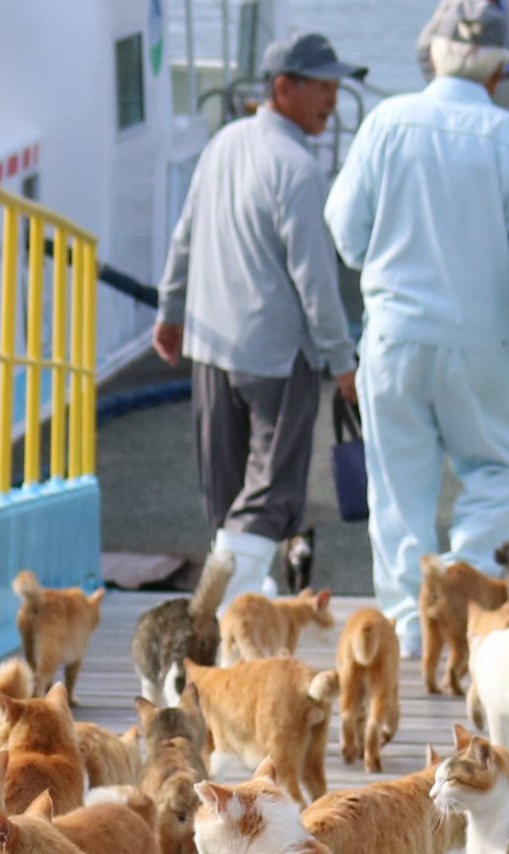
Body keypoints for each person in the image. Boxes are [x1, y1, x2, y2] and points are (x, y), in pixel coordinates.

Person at [328, 0, 509, 656]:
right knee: (494, 470)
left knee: (399, 489)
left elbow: (345, 231)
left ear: (432, 58)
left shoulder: (385, 122)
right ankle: (465, 601)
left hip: (394, 336)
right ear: (499, 74)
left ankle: (411, 629)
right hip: (482, 342)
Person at [154, 30, 362, 596]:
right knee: (271, 493)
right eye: (323, 86)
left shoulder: (222, 143)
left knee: (225, 496)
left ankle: (237, 605)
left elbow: (186, 235)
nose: (333, 101)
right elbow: (315, 279)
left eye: (336, 87)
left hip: (210, 345)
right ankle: (221, 609)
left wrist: (170, 310)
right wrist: (343, 362)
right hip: (275, 354)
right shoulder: (299, 167)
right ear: (283, 87)